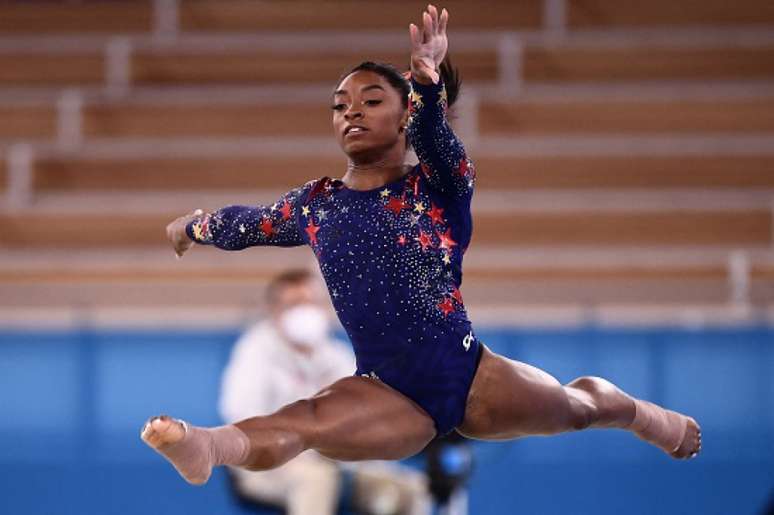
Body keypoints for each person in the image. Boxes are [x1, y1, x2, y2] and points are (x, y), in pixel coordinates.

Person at [141, 4, 701, 490]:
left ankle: (644, 416)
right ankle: (205, 447)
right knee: (305, 420)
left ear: (405, 114)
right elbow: (252, 224)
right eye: (340, 105)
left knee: (580, 409)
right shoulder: (318, 204)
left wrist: (428, 86)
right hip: (386, 392)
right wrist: (197, 226)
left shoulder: (438, 186)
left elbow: (437, 140)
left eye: (371, 99)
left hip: (472, 376)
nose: (352, 111)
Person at [220, 269, 430, 515]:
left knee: (411, 489)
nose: (306, 311)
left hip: (335, 461)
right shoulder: (255, 351)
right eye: (295, 304)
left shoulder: (338, 356)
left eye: (312, 303)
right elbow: (243, 418)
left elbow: (362, 421)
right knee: (316, 480)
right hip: (264, 463)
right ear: (274, 311)